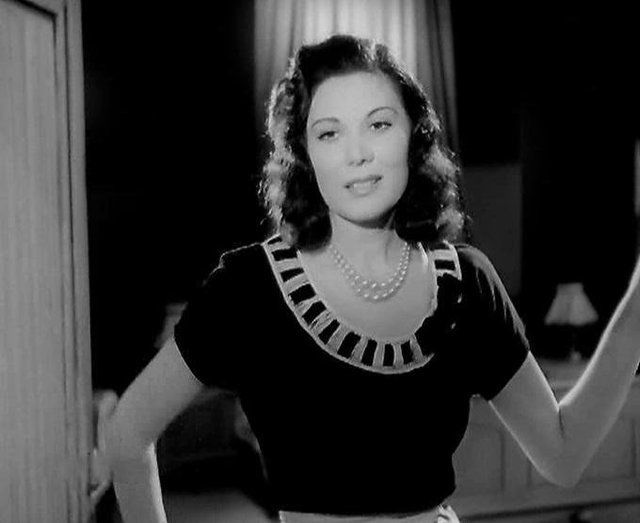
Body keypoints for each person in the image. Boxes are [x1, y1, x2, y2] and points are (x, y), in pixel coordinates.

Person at [104, 34, 640, 523]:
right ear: (305, 154)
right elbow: (128, 434)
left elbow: (563, 456)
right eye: (329, 132)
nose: (357, 153)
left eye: (378, 124)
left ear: (414, 135)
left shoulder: (468, 284)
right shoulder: (248, 287)